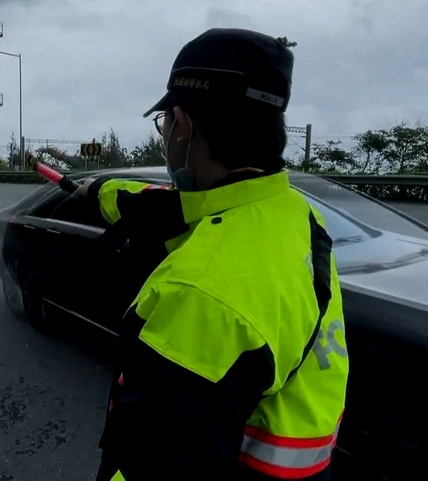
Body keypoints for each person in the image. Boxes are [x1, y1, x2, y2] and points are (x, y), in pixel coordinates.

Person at [74, 28, 349, 480]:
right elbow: (166, 208)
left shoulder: (199, 296)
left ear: (181, 126)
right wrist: (96, 191)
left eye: (164, 124)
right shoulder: (295, 214)